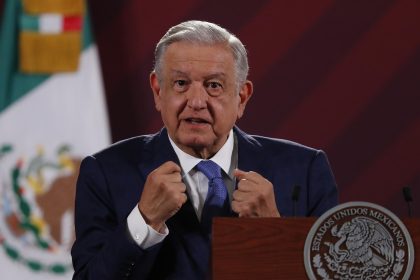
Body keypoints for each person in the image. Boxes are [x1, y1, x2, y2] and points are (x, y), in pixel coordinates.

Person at [71, 20, 338, 279]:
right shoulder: (105, 172)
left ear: (242, 97)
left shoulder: (305, 171)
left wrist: (273, 230)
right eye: (181, 84)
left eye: (213, 85)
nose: (196, 102)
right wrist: (143, 221)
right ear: (157, 91)